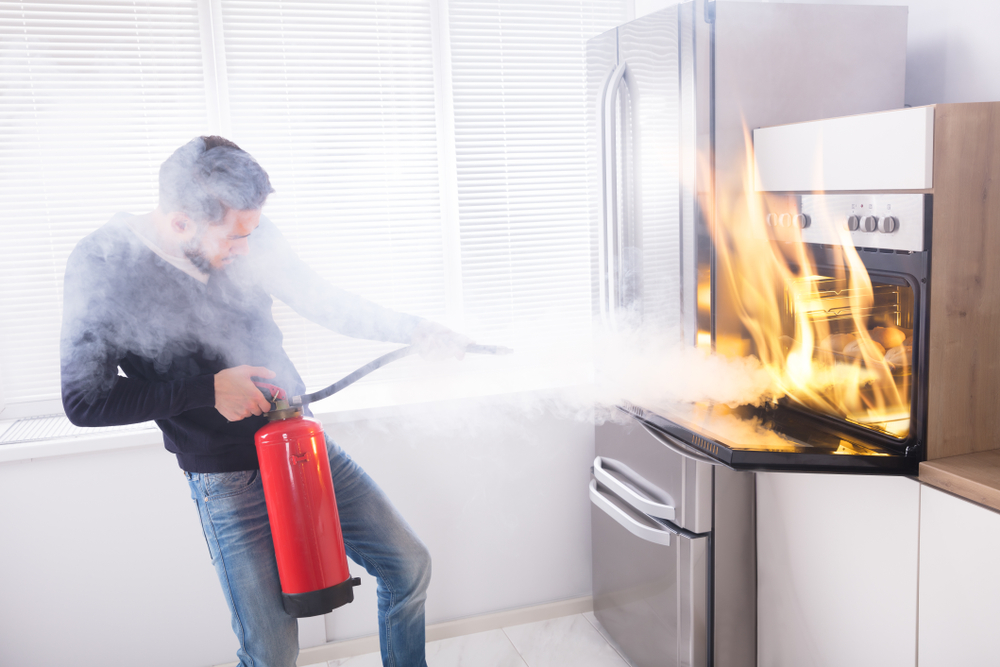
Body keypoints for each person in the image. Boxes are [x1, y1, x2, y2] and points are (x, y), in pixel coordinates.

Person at [60, 136, 470, 667]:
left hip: (300, 444)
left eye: (253, 232)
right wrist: (208, 390)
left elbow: (325, 301)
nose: (248, 250)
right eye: (234, 237)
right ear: (182, 222)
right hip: (226, 478)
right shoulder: (103, 261)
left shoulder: (249, 232)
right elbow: (84, 401)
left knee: (408, 565)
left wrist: (415, 330)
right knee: (271, 651)